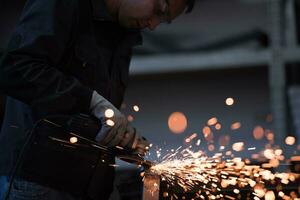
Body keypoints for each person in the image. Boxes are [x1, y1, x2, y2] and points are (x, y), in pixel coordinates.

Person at [0, 0, 195, 199]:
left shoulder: (124, 29)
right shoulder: (64, 5)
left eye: (163, 20)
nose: (153, 24)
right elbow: (16, 68)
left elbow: (96, 112)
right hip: (38, 182)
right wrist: (90, 101)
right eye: (159, 10)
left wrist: (122, 136)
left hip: (88, 187)